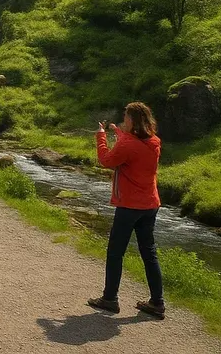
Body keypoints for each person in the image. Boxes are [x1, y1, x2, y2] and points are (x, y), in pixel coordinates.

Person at [88, 103, 166, 319]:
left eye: (126, 116)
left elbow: (106, 160)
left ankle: (110, 299)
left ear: (133, 119)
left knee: (115, 252)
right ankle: (157, 303)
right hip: (150, 204)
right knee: (149, 252)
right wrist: (121, 134)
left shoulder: (129, 144)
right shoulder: (154, 141)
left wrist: (101, 137)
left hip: (129, 206)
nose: (124, 118)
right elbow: (134, 147)